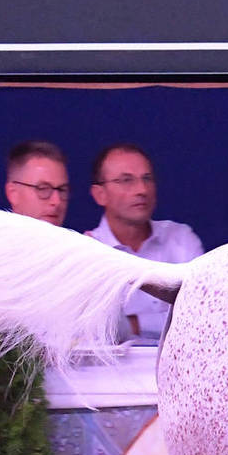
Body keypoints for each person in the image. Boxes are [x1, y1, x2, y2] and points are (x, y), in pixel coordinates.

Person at [85, 143, 204, 339]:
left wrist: (132, 324)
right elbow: (94, 332)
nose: (142, 189)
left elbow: (199, 315)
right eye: (126, 180)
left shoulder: (181, 240)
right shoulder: (89, 251)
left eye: (147, 179)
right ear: (100, 194)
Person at [3, 140, 71, 227]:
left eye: (62, 190)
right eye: (43, 189)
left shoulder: (81, 240)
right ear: (13, 194)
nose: (57, 201)